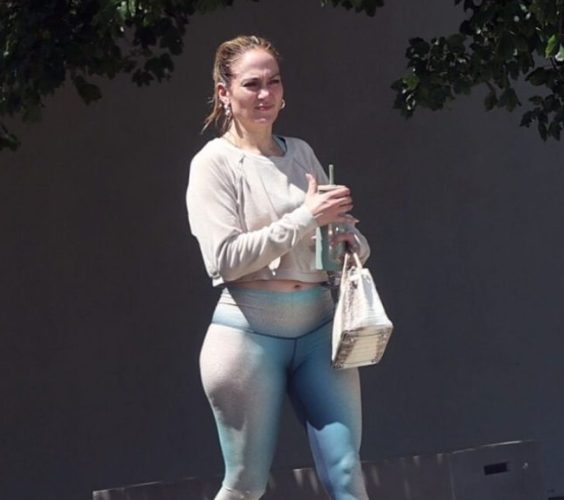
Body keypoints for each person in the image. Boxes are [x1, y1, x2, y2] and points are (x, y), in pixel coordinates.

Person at [186, 35, 371, 500]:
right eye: (252, 84)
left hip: (319, 330)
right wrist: (306, 216)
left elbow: (332, 237)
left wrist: (351, 243)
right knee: (246, 485)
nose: (265, 94)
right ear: (224, 93)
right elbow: (225, 260)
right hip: (248, 335)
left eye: (274, 82)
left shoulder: (301, 152)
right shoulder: (213, 164)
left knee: (347, 472)